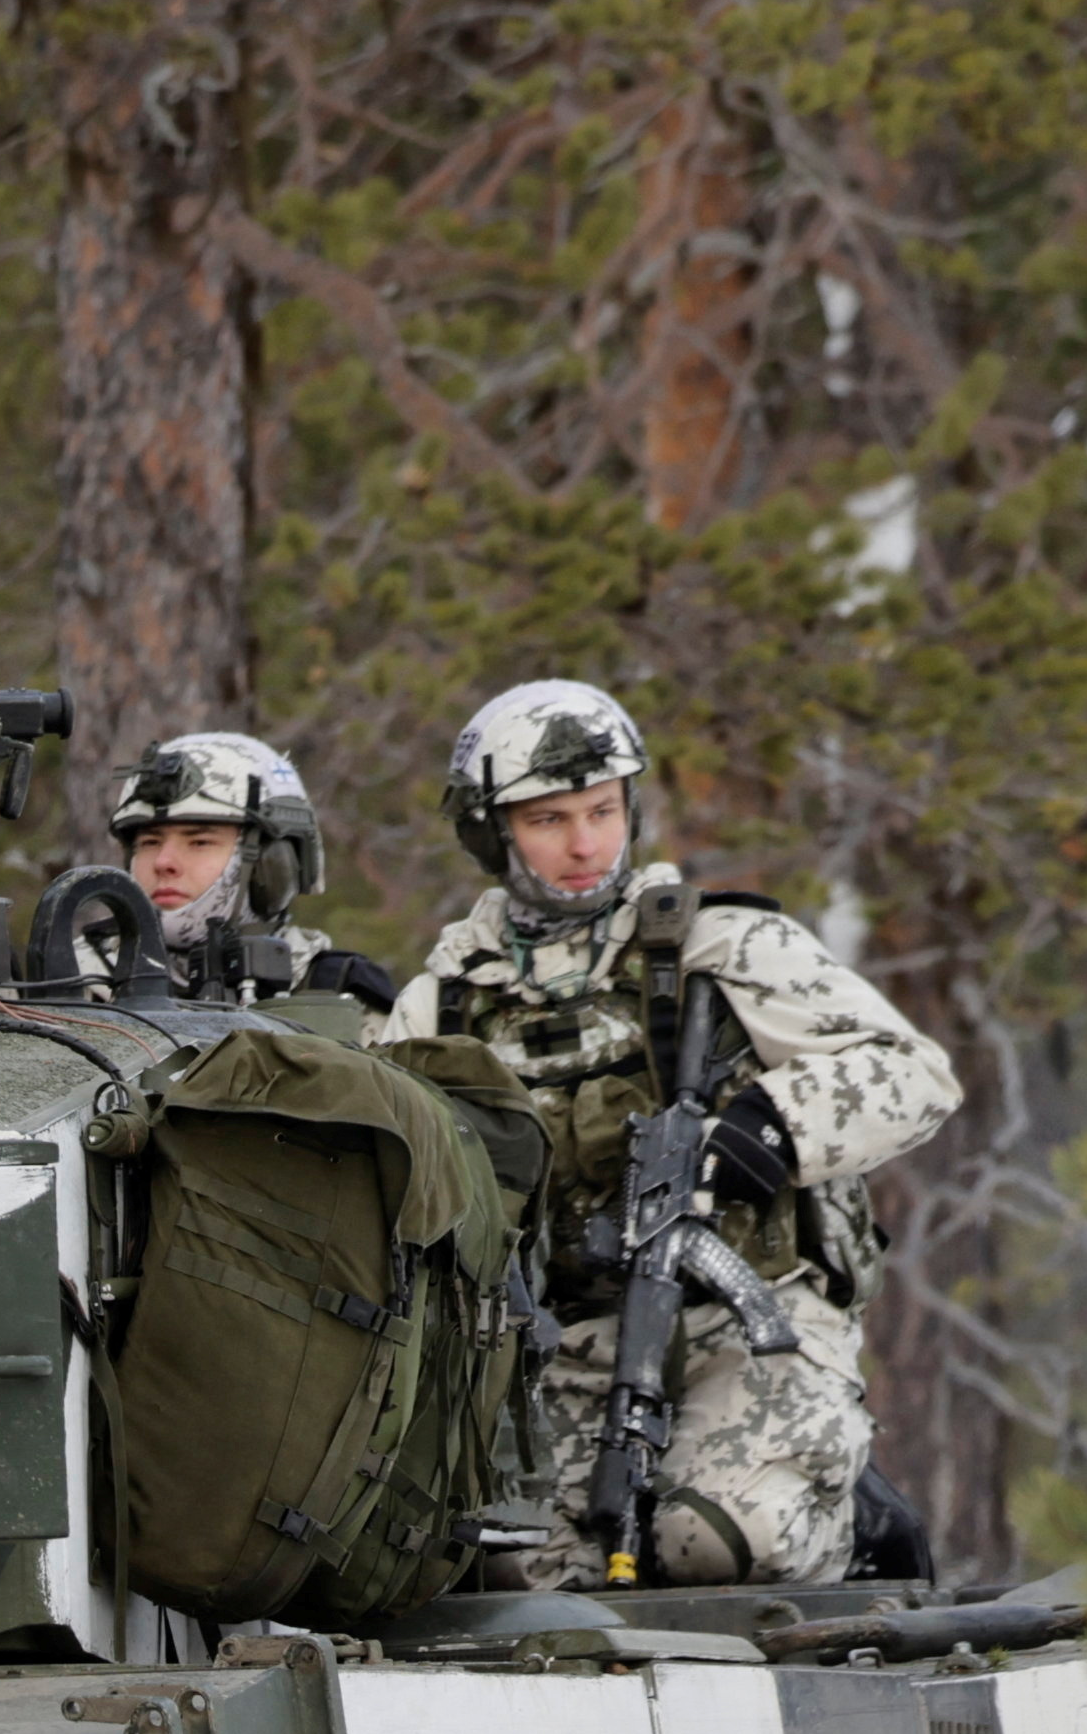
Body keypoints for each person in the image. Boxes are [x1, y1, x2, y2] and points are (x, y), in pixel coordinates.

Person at [381, 678, 958, 1590]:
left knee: (712, 1542)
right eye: (548, 820)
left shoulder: (718, 944)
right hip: (562, 1348)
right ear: (491, 833)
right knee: (520, 1578)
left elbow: (912, 1071)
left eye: (602, 811)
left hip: (752, 1326)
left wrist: (772, 1125)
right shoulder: (441, 1007)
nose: (584, 845)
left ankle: (852, 1526)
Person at [102, 730, 402, 1022]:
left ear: (273, 864)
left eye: (199, 842)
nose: (163, 862)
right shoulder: (82, 980)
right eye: (149, 843)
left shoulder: (342, 996)